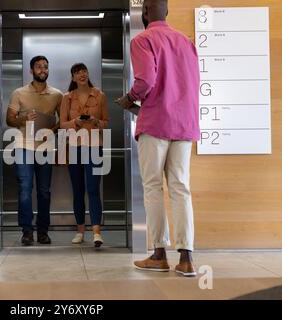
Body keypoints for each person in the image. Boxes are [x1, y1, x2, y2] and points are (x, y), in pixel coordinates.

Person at [116, 0, 200, 276]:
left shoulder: (143, 40)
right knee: (180, 188)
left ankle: (159, 254)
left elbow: (145, 81)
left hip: (155, 123)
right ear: (167, 12)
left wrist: (129, 99)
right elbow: (193, 84)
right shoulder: (185, 42)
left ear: (145, 13)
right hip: (185, 124)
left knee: (153, 188)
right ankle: (186, 258)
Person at [6, 55, 63, 246]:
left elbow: (62, 121)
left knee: (44, 191)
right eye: (39, 67)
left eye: (45, 67)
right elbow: (9, 119)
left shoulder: (57, 95)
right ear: (31, 70)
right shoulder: (19, 93)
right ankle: (26, 231)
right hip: (23, 146)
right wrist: (23, 120)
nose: (43, 70)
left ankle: (43, 231)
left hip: (44, 147)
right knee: (24, 189)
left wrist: (51, 131)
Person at [60, 63, 109, 247]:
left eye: (84, 71)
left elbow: (106, 122)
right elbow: (62, 124)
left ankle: (96, 232)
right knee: (78, 190)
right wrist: (76, 122)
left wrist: (97, 122)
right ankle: (80, 231)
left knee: (93, 188)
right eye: (77, 72)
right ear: (73, 77)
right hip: (74, 147)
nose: (82, 74)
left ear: (88, 74)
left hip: (95, 146)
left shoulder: (100, 95)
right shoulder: (67, 98)